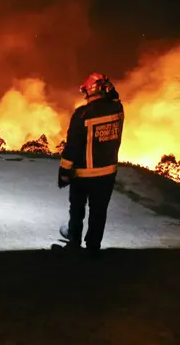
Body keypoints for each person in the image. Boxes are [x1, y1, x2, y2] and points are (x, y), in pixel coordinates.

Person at [57, 72, 124, 253]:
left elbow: (72, 147)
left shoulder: (82, 114)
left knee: (77, 210)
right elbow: (115, 97)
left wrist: (64, 172)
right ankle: (93, 247)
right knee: (99, 211)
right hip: (108, 174)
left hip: (83, 174)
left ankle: (74, 242)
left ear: (89, 91)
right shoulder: (118, 109)